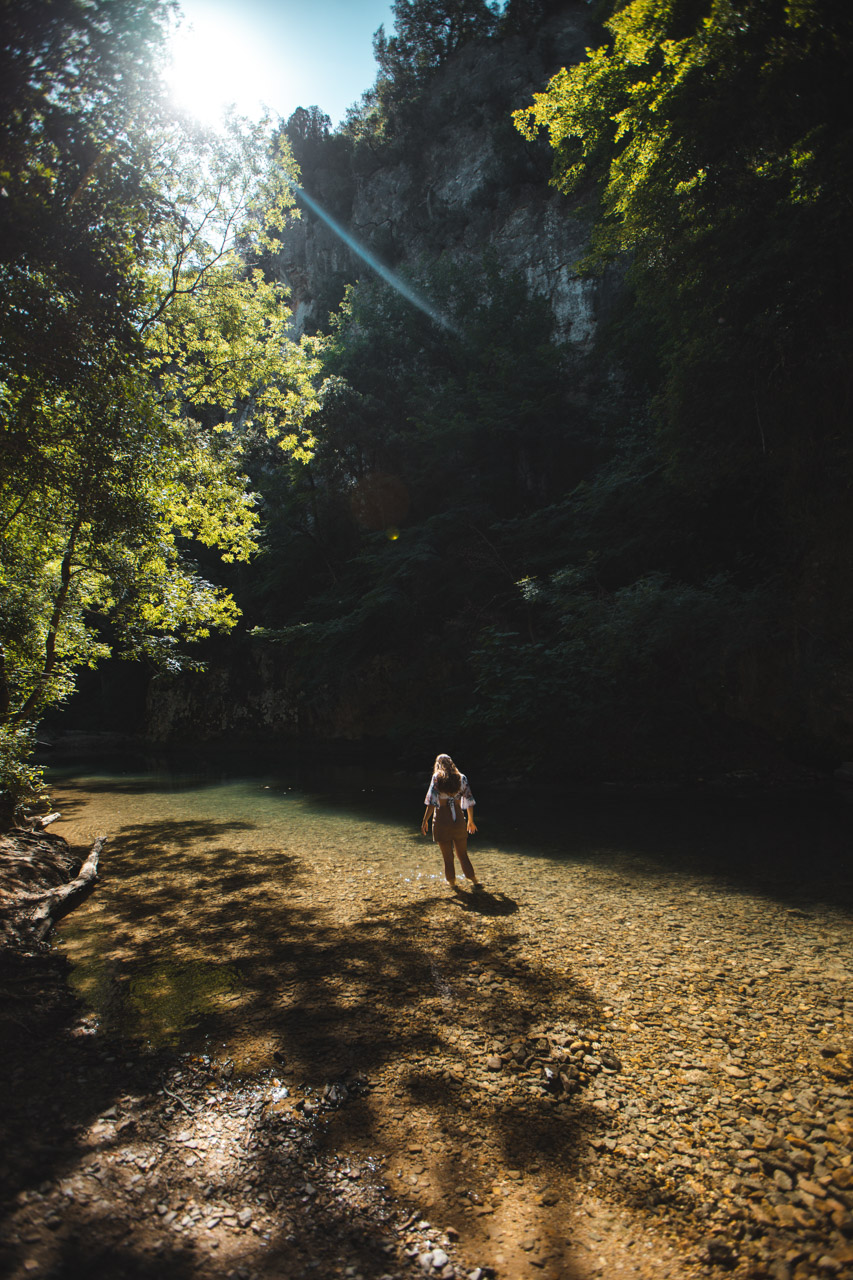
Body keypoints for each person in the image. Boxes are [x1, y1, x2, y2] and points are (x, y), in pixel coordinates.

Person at [421, 753, 479, 890]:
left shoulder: (437, 778)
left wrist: (425, 821)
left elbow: (431, 802)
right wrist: (471, 821)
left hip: (441, 818)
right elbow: (469, 801)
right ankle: (475, 881)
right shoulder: (462, 778)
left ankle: (453, 885)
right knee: (463, 855)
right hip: (458, 818)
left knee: (448, 858)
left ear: (438, 765)